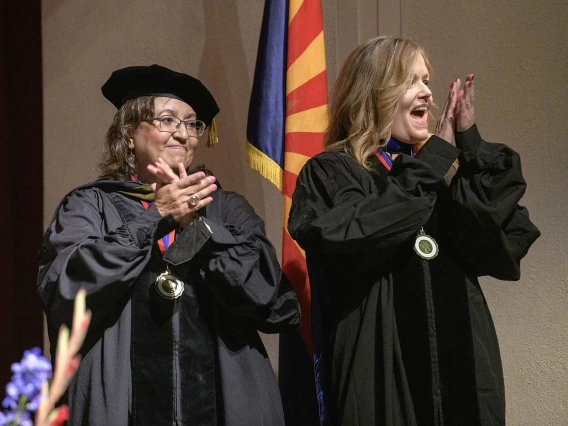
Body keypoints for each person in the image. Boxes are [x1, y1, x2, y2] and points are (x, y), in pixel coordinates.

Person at [287, 36, 540, 426]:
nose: (426, 91)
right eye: (411, 81)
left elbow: (503, 245)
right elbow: (359, 234)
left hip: (463, 378)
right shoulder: (331, 172)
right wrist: (434, 159)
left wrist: (469, 145)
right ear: (374, 93)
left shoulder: (432, 176)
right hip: (383, 378)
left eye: (427, 80)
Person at [38, 64, 300, 426]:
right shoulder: (88, 207)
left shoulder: (226, 209)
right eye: (167, 120)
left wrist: (196, 224)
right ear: (129, 134)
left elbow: (272, 301)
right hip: (123, 406)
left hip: (222, 406)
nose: (183, 134)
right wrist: (156, 215)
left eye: (192, 124)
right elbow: (66, 292)